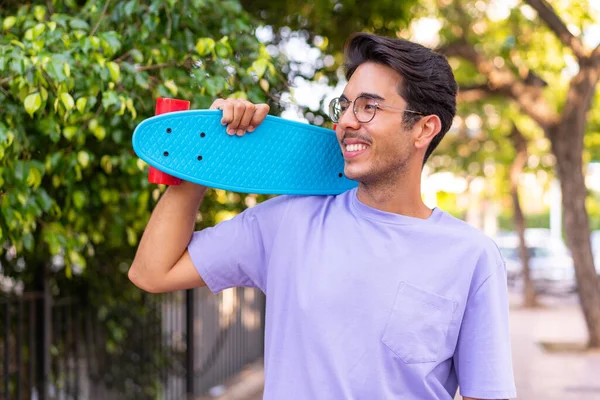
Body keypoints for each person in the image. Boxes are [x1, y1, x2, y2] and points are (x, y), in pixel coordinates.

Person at [129, 32, 517, 400]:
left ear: (423, 129)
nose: (346, 121)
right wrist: (210, 154)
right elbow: (151, 272)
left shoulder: (472, 257)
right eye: (344, 105)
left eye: (369, 107)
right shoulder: (289, 222)